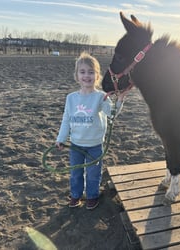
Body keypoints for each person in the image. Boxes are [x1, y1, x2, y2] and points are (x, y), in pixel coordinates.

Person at [56, 52, 128, 210]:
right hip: (75, 145)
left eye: (91, 72)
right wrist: (61, 139)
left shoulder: (101, 97)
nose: (86, 76)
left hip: (95, 145)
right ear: (76, 75)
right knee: (76, 173)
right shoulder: (71, 98)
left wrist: (120, 99)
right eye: (82, 72)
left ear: (97, 76)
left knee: (93, 174)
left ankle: (92, 196)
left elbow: (112, 114)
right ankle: (75, 195)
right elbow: (66, 119)